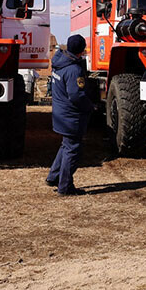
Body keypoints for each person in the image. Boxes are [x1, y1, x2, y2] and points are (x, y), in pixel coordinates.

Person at [46, 35, 94, 196]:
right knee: (73, 150)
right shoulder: (74, 69)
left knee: (66, 145)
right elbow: (76, 95)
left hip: (60, 112)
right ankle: (65, 186)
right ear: (81, 49)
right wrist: (90, 106)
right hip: (71, 115)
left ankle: (54, 177)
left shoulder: (60, 61)